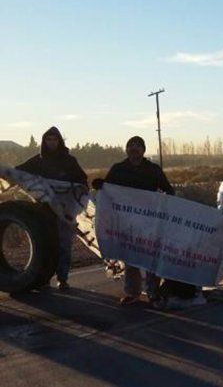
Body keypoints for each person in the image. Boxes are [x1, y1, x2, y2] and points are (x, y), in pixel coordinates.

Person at [98, 136, 175, 306]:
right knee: (130, 256)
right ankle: (132, 292)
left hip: (150, 221)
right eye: (131, 146)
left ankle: (153, 292)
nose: (134, 149)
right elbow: (108, 189)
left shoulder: (153, 169)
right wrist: (100, 185)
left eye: (138, 146)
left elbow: (168, 190)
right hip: (127, 221)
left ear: (143, 150)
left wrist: (167, 203)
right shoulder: (118, 169)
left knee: (151, 256)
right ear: (126, 149)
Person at [16, 126, 88, 291]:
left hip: (65, 210)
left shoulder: (69, 161)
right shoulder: (38, 160)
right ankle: (44, 278)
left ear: (59, 141)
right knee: (45, 245)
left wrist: (78, 189)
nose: (51, 142)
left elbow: (82, 180)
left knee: (64, 244)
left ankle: (63, 279)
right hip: (44, 211)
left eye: (54, 139)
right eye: (48, 139)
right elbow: (18, 171)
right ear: (44, 141)